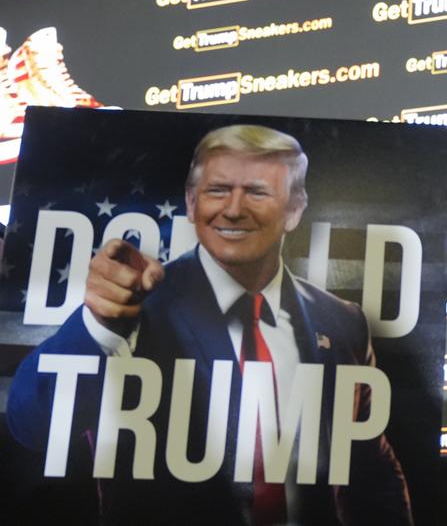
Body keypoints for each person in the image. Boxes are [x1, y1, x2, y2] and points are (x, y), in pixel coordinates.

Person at [7, 125, 413, 526]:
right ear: (190, 201)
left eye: (256, 192)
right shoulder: (136, 305)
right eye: (218, 190)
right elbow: (32, 422)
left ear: (294, 209)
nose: (233, 209)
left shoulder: (342, 321)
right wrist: (99, 326)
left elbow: (369, 468)